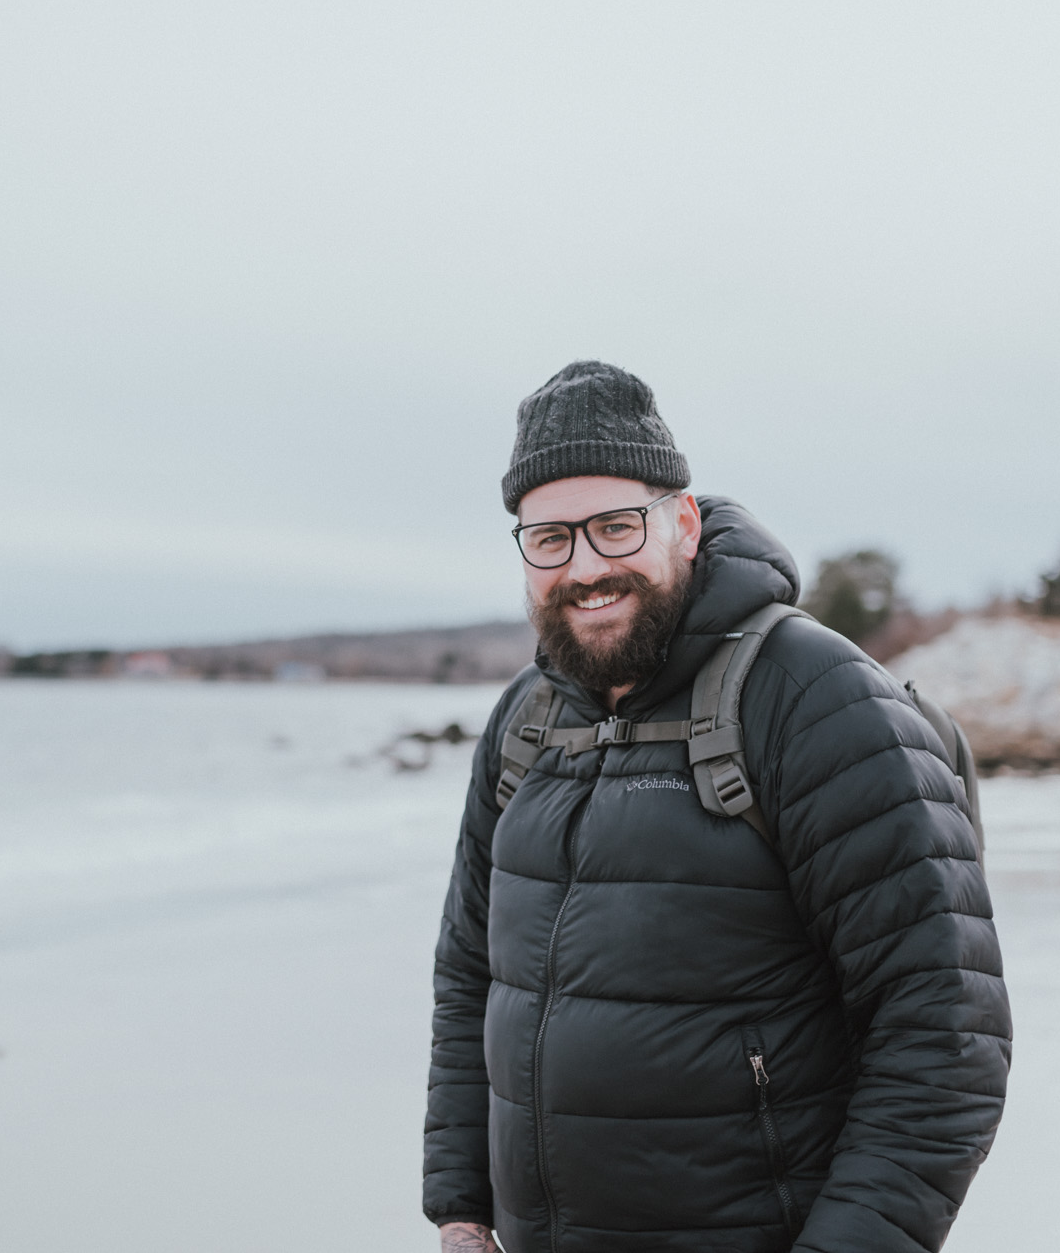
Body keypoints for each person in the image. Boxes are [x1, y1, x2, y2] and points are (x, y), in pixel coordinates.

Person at [424, 362, 1010, 1253]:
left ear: (684, 523)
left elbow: (945, 1032)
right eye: (550, 538)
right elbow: (471, 977)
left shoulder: (817, 698)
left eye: (616, 526)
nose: (586, 567)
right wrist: (460, 1204)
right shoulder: (526, 721)